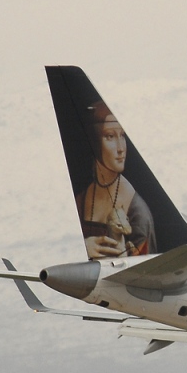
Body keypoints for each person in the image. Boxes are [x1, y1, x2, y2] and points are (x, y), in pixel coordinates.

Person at [75, 102, 156, 259]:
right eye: (110, 136)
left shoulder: (138, 213)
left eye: (123, 136)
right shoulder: (82, 200)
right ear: (95, 141)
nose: (121, 148)